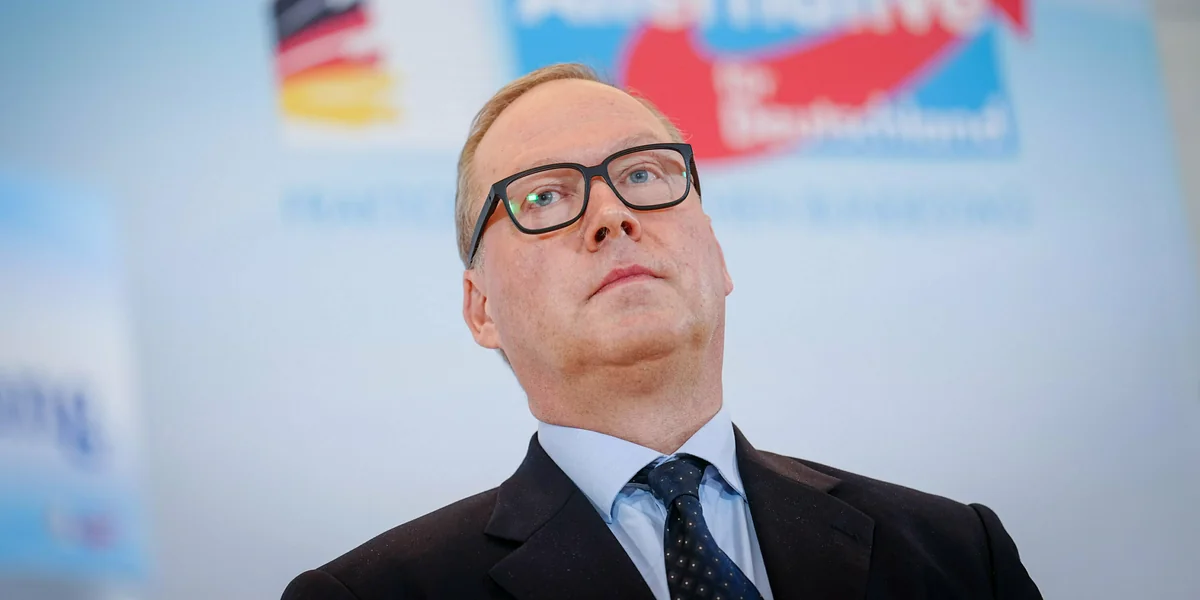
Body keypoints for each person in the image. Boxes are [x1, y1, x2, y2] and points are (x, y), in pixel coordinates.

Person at [281, 63, 1042, 600]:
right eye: (544, 196)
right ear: (481, 309)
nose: (612, 215)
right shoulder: (369, 594)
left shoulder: (958, 555)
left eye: (643, 175)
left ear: (718, 253)